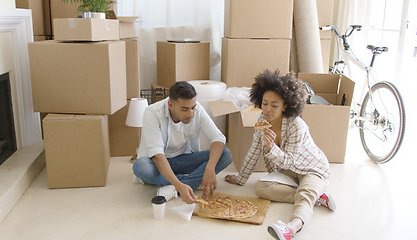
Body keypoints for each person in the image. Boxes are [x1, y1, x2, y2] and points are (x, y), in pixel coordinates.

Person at [224, 70, 336, 240]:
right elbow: (254, 151)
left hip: (312, 169)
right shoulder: (261, 119)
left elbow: (289, 161)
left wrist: (271, 148)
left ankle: (290, 228)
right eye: (265, 103)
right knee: (261, 187)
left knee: (305, 195)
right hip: (288, 172)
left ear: (285, 106)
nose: (267, 109)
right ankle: (316, 196)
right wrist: (240, 179)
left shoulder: (296, 125)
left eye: (274, 105)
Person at [133, 81, 232, 204]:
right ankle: (185, 184)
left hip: (183, 160)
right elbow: (157, 155)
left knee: (225, 154)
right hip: (157, 163)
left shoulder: (197, 109)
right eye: (184, 109)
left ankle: (173, 187)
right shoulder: (152, 113)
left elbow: (218, 138)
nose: (190, 114)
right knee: (141, 167)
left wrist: (210, 168)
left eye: (192, 108)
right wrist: (180, 185)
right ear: (170, 105)